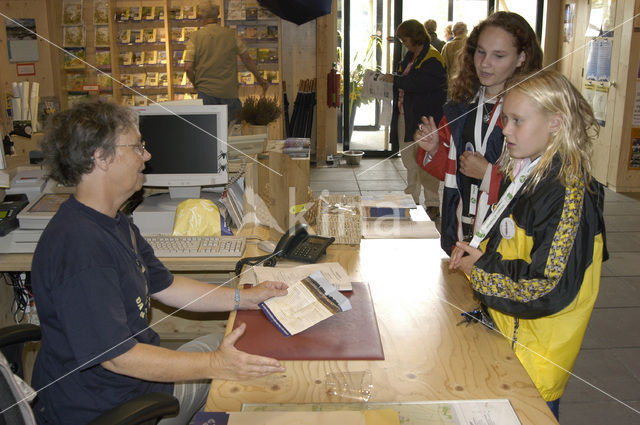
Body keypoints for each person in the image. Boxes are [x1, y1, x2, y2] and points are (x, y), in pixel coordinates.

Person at [30, 100, 288, 425]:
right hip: (113, 408)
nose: (147, 155)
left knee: (229, 343)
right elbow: (119, 358)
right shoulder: (81, 250)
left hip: (132, 385)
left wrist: (244, 297)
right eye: (138, 146)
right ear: (101, 157)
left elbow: (167, 285)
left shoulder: (114, 221)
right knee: (252, 379)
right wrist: (215, 365)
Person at [448, 70, 607, 421]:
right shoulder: (529, 168)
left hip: (536, 354)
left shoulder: (567, 193)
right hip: (512, 332)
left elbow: (548, 285)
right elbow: (512, 242)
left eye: (517, 121)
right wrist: (484, 255)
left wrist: (482, 270)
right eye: (506, 119)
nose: (505, 130)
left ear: (556, 123)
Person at [414, 11, 543, 255]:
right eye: (480, 52)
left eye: (499, 56)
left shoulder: (534, 114)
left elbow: (540, 190)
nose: (484, 63)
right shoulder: (461, 106)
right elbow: (451, 172)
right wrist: (433, 149)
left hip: (507, 245)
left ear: (521, 58)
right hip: (461, 234)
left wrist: (487, 175)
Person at [380, 19, 446, 216]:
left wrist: (397, 80)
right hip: (405, 115)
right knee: (409, 159)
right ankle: (411, 198)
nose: (403, 43)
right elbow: (407, 81)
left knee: (426, 159)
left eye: (405, 39)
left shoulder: (432, 57)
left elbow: (419, 84)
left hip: (425, 119)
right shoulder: (409, 57)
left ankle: (433, 202)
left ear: (415, 36)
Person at [184, 2, 268, 122]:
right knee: (233, 133)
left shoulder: (195, 37)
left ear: (200, 15)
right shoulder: (231, 35)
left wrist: (195, 83)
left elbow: (188, 67)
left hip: (206, 93)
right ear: (218, 14)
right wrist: (260, 80)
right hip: (229, 92)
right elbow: (247, 59)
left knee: (209, 133)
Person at [440, 21, 468, 93]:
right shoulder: (473, 45)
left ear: (453, 32)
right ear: (466, 31)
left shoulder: (447, 47)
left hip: (453, 84)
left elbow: (443, 67)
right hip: (469, 83)